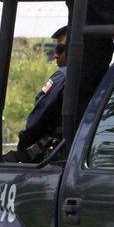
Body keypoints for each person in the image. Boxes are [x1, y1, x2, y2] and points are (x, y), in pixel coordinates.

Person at [5, 27, 68, 163]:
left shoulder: (63, 76)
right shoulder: (96, 77)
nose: (56, 55)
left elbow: (39, 117)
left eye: (60, 49)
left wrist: (24, 144)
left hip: (54, 157)